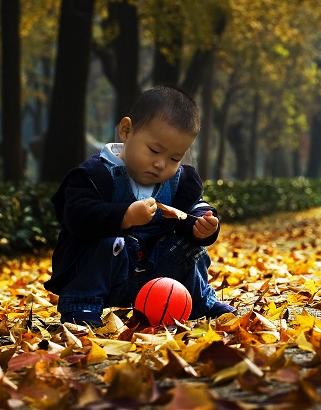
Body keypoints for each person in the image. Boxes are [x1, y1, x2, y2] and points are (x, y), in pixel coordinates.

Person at [44, 86, 236, 327]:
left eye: (175, 158)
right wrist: (124, 216)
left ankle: (198, 302)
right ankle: (81, 308)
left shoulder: (179, 182)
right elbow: (75, 216)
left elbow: (195, 206)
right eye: (154, 150)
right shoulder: (95, 176)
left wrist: (202, 223)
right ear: (126, 130)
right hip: (111, 270)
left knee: (190, 247)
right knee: (100, 241)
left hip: (157, 271)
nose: (160, 164)